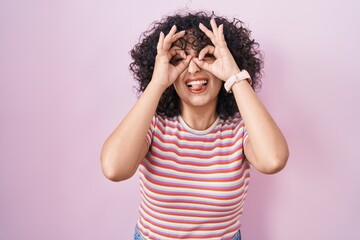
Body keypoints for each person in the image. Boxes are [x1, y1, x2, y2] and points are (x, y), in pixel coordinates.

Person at [101, 11, 289, 240]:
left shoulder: (241, 129)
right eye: (180, 59)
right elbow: (114, 168)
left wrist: (234, 74)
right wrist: (158, 83)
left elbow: (274, 160)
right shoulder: (153, 125)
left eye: (206, 56)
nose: (193, 69)